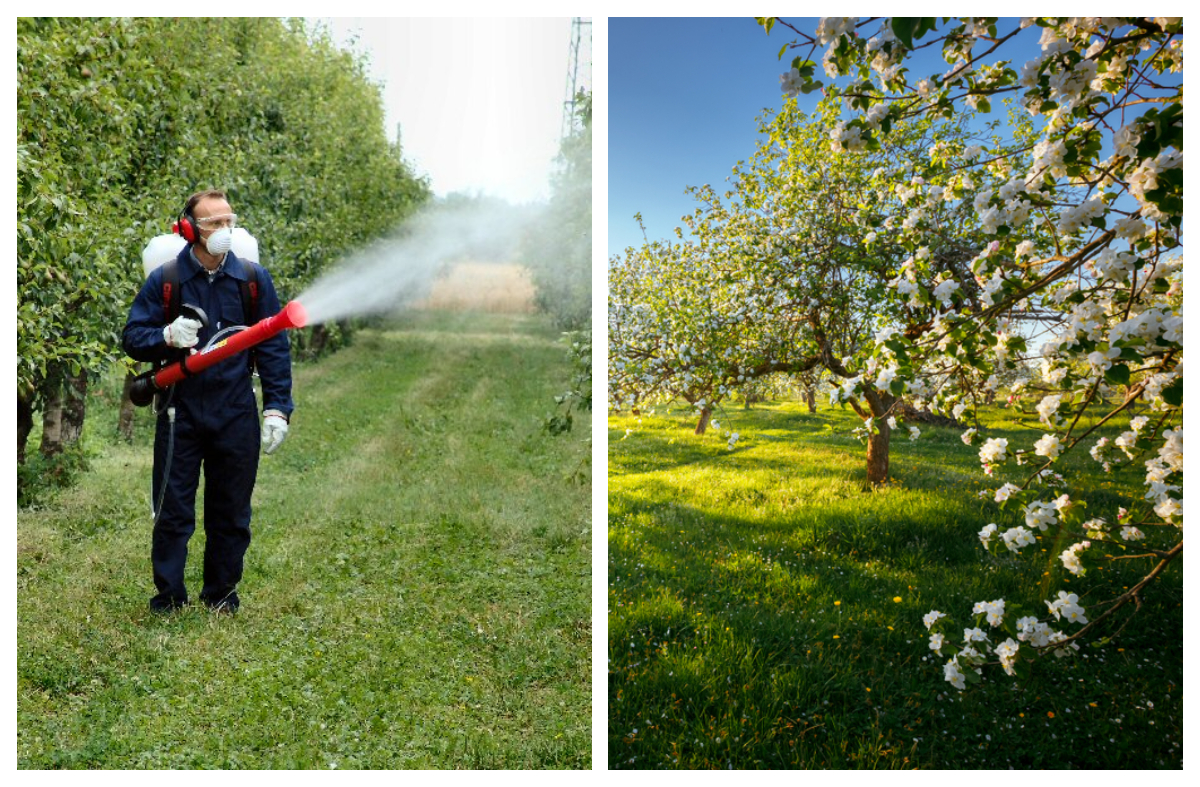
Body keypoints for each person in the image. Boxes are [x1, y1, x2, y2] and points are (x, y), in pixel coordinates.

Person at [123, 190, 294, 613]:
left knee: (231, 510)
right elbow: (132, 337)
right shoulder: (166, 279)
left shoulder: (253, 280)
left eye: (228, 222)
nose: (223, 231)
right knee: (173, 510)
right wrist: (164, 336)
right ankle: (170, 596)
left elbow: (273, 346)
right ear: (189, 230)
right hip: (180, 409)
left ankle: (221, 594)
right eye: (213, 224)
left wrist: (276, 408)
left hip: (236, 410)